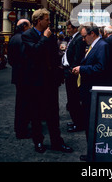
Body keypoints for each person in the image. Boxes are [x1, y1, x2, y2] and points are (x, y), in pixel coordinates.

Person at [21, 8, 73, 153]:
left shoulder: (50, 35)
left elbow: (54, 56)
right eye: (47, 19)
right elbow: (35, 52)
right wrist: (44, 37)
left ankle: (57, 142)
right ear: (39, 20)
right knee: (36, 113)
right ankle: (38, 142)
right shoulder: (27, 35)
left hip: (50, 82)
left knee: (53, 114)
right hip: (35, 83)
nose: (49, 22)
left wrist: (59, 73)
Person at [72, 22, 109, 161]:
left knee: (92, 123)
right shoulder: (95, 45)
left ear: (92, 34)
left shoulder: (102, 46)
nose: (83, 39)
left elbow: (101, 68)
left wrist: (82, 69)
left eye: (84, 36)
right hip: (89, 91)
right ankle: (92, 151)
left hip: (93, 91)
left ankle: (93, 153)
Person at [7, 19, 31, 139]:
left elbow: (10, 59)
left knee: (20, 102)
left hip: (17, 75)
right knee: (24, 103)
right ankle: (22, 130)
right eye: (29, 26)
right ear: (25, 27)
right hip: (25, 76)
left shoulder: (13, 38)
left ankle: (19, 127)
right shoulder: (24, 38)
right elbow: (26, 58)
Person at [62, 20, 86, 133]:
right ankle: (75, 120)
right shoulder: (73, 38)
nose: (67, 30)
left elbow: (77, 57)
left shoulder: (78, 40)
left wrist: (72, 70)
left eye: (69, 28)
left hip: (73, 74)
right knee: (71, 100)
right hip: (69, 72)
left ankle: (79, 123)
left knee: (74, 99)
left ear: (75, 28)